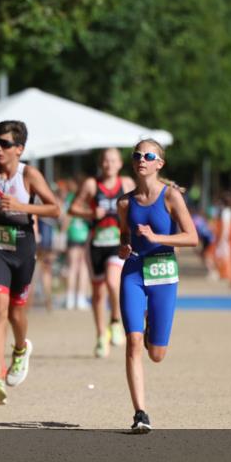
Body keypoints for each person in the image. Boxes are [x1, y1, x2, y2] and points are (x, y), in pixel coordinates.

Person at [117, 139, 197, 432]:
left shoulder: (171, 197)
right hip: (135, 271)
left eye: (148, 155)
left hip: (163, 271)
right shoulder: (124, 202)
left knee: (157, 354)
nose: (142, 159)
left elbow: (192, 237)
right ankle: (140, 413)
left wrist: (158, 238)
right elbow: (124, 237)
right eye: (137, 155)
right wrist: (123, 247)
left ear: (159, 163)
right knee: (133, 342)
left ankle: (151, 326)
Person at [0, 120, 61, 406]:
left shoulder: (29, 174)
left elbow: (55, 208)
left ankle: (20, 349)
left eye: (4, 144)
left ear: (19, 149)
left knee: (16, 313)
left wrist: (22, 207)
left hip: (23, 248)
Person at [70, 148, 135, 358]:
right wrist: (90, 213)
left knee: (113, 282)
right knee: (97, 293)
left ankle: (115, 321)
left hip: (117, 242)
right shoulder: (91, 184)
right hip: (96, 243)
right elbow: (72, 208)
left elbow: (140, 204)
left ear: (120, 164)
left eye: (113, 160)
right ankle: (100, 335)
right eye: (105, 160)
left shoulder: (126, 184)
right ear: (101, 163)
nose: (109, 164)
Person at [62, 176, 92, 310]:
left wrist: (63, 231)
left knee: (73, 267)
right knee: (82, 268)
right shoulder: (87, 200)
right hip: (84, 235)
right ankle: (79, 298)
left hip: (74, 235)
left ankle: (71, 298)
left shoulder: (70, 199)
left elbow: (66, 219)